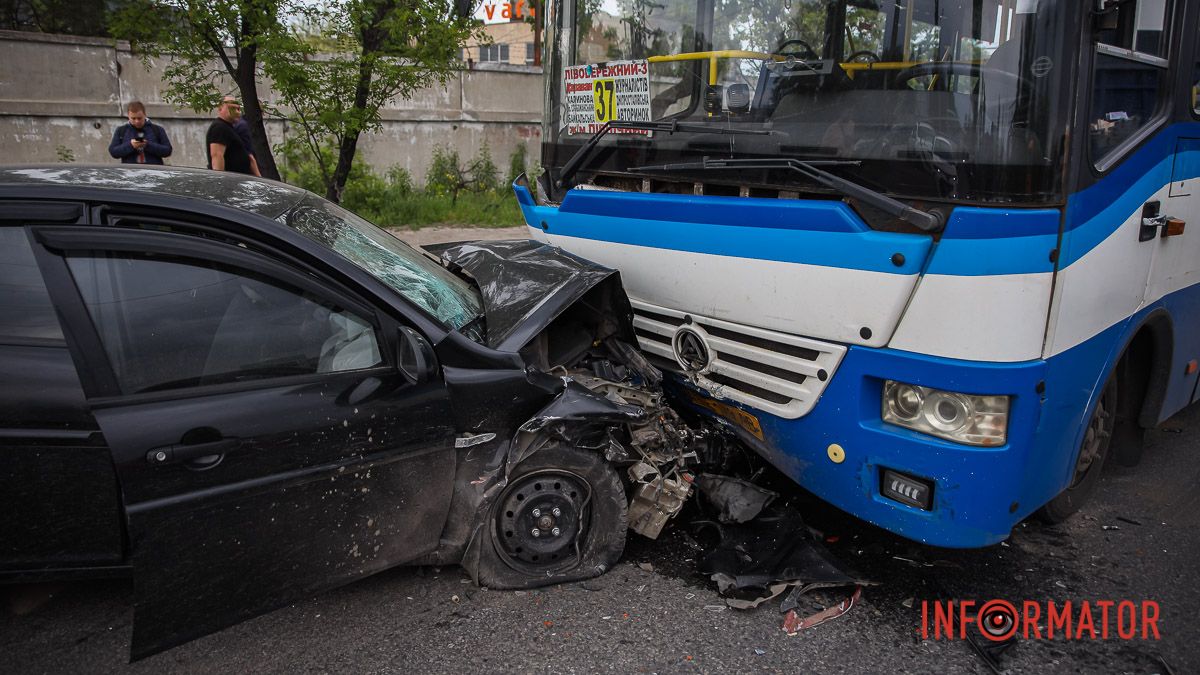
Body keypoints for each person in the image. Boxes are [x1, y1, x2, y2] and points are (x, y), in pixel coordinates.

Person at [206, 96, 260, 176]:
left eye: (238, 109)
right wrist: (220, 181)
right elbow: (217, 156)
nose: (236, 112)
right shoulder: (220, 127)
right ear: (220, 108)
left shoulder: (230, 128)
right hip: (230, 182)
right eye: (231, 108)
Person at [108, 101, 172, 165]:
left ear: (145, 115)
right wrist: (131, 145)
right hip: (130, 171)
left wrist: (147, 145)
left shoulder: (157, 130)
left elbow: (167, 151)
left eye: (139, 118)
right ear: (128, 116)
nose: (137, 121)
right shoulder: (121, 130)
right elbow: (113, 152)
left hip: (153, 171)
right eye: (133, 118)